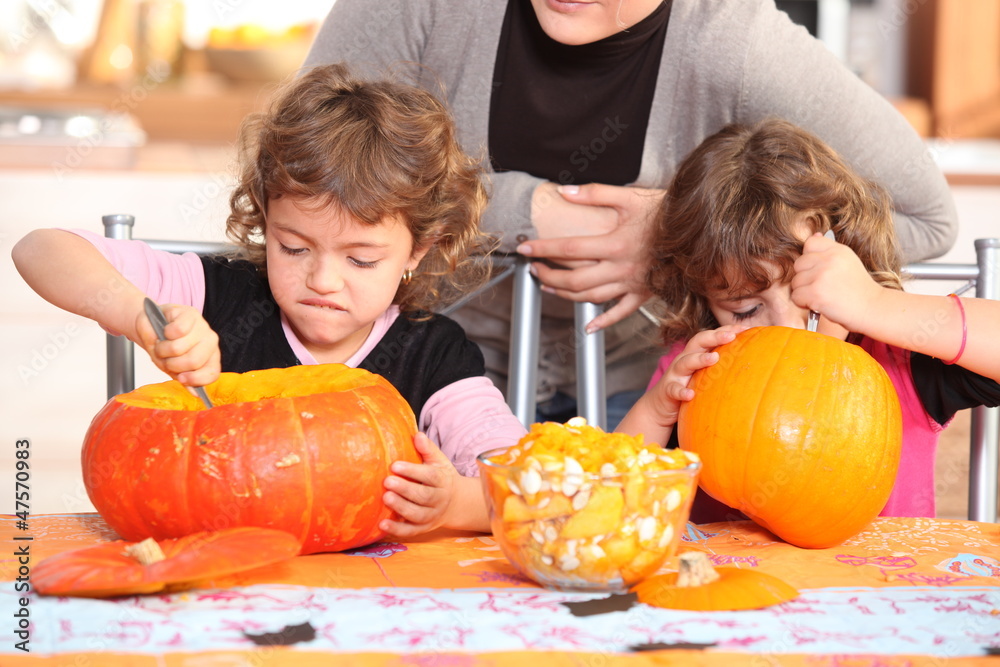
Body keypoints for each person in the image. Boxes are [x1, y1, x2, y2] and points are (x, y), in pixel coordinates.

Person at [303, 0, 959, 429]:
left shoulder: (734, 41)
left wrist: (683, 234)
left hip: (642, 396)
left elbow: (925, 216)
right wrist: (528, 209)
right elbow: (303, 168)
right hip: (417, 374)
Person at [12, 63, 527, 538]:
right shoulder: (220, 296)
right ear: (265, 219)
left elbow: (525, 489)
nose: (322, 279)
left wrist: (455, 503)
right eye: (294, 247)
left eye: (361, 260)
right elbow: (40, 249)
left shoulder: (435, 357)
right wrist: (140, 318)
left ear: (419, 249)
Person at [615, 118, 1000, 519]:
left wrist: (874, 305)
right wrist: (658, 412)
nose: (787, 327)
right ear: (702, 296)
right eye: (746, 309)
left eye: (815, 299)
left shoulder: (900, 357)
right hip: (731, 580)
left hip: (874, 582)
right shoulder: (698, 365)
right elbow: (613, 505)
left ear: (851, 262)